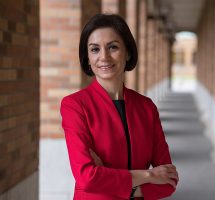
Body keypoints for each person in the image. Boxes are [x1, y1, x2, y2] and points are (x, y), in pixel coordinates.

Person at [60, 13, 179, 200]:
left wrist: (112, 180)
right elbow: (87, 178)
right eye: (95, 49)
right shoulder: (75, 106)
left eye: (113, 47)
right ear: (88, 58)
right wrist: (148, 175)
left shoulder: (146, 108)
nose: (104, 57)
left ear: (128, 52)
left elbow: (169, 181)